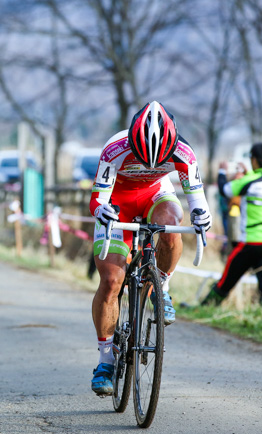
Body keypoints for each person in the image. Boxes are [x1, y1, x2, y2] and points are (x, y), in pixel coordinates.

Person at [89, 101, 212, 396]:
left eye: (157, 162)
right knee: (111, 282)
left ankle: (161, 287)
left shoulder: (184, 152)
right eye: (142, 159)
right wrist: (103, 212)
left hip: (154, 195)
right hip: (116, 201)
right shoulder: (114, 148)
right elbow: (97, 200)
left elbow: (198, 203)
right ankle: (106, 361)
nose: (148, 166)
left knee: (172, 222)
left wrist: (202, 217)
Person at [202, 143, 262, 306]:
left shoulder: (249, 180)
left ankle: (206, 307)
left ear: (254, 160)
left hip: (251, 241)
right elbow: (260, 182)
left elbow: (224, 190)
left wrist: (222, 171)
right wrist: (249, 174)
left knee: (227, 279)